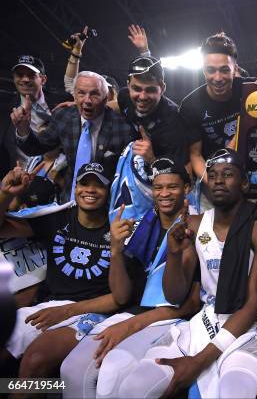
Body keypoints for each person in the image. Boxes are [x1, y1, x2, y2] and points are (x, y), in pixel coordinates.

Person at [114, 149, 257, 398]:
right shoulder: (194, 224)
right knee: (134, 387)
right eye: (212, 175)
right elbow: (175, 295)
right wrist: (173, 254)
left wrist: (199, 361)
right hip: (206, 319)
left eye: (228, 175)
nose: (218, 181)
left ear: (244, 182)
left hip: (249, 326)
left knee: (233, 391)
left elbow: (251, 305)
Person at [60, 158, 200, 398]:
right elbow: (122, 295)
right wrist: (115, 248)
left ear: (186, 188)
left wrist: (131, 325)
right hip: (131, 313)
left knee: (111, 373)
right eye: (158, 187)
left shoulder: (196, 228)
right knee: (71, 370)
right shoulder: (140, 226)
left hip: (171, 320)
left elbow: (191, 304)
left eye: (172, 187)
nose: (164, 194)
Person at [0, 163, 120, 382]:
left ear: (109, 191)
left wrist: (67, 311)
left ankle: (43, 391)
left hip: (94, 314)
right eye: (84, 183)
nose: (90, 190)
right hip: (49, 308)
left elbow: (121, 298)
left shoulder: (118, 228)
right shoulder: (57, 218)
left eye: (98, 186)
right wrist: (6, 195)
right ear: (75, 188)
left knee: (35, 363)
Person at [14, 70, 135, 201]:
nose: (87, 100)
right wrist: (23, 129)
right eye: (81, 93)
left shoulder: (122, 126)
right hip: (69, 200)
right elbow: (35, 148)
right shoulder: (64, 117)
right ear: (75, 96)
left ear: (106, 98)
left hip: (106, 206)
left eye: (94, 94)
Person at [182, 32, 257, 182]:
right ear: (203, 70)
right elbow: (195, 155)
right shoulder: (190, 105)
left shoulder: (253, 89)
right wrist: (213, 183)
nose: (217, 78)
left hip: (255, 173)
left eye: (224, 70)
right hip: (212, 174)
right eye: (210, 70)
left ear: (235, 68)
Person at [114, 55, 187, 165]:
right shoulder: (124, 96)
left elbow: (183, 172)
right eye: (137, 89)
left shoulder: (174, 120)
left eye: (150, 90)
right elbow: (113, 106)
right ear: (128, 86)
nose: (142, 97)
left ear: (162, 88)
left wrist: (152, 160)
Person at [6, 55, 72, 175]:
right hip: (17, 176)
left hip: (58, 176)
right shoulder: (5, 107)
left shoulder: (62, 101)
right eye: (20, 75)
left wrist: (77, 105)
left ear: (43, 79)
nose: (25, 79)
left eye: (31, 75)